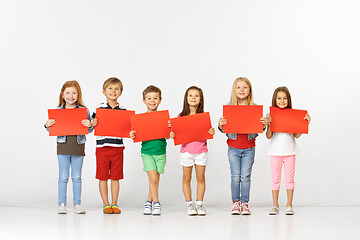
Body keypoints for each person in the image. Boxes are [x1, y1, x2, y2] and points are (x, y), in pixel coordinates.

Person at [218, 77, 266, 215]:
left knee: (245, 176)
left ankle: (244, 203)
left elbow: (259, 129)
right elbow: (224, 128)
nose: (241, 90)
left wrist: (263, 125)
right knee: (235, 176)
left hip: (249, 148)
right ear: (234, 90)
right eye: (238, 87)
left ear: (249, 91)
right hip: (233, 147)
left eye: (245, 87)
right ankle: (235, 203)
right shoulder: (230, 107)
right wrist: (220, 125)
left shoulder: (254, 108)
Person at [45, 80, 93, 214]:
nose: (70, 96)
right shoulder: (58, 111)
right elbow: (51, 130)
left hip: (78, 146)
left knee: (77, 177)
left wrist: (89, 125)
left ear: (78, 95)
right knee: (63, 177)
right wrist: (47, 124)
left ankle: (77, 204)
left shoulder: (84, 110)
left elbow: (89, 130)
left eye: (74, 93)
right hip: (63, 146)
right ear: (62, 94)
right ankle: (62, 204)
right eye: (67, 93)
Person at [266, 86, 311, 215]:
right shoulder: (270, 115)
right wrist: (269, 123)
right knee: (275, 179)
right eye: (279, 98)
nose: (282, 101)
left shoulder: (292, 115)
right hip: (275, 152)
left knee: (290, 179)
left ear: (289, 100)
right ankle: (275, 205)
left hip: (290, 152)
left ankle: (289, 204)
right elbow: (269, 136)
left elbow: (296, 135)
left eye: (285, 98)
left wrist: (305, 124)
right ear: (275, 100)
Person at [170, 86, 215, 216]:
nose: (193, 98)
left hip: (201, 151)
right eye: (190, 95)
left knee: (200, 177)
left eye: (196, 96)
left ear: (200, 100)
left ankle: (199, 204)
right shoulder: (181, 116)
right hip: (186, 152)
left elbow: (208, 131)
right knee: (186, 177)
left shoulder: (203, 116)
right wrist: (172, 134)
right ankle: (189, 204)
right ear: (186, 98)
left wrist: (211, 131)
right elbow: (175, 134)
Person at [130, 85, 169, 216]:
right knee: (152, 178)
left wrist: (171, 129)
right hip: (147, 152)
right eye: (149, 98)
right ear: (144, 100)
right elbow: (134, 134)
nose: (152, 101)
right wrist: (132, 134)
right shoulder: (140, 119)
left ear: (160, 100)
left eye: (155, 98)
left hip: (161, 152)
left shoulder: (164, 118)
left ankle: (148, 201)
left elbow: (170, 135)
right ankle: (156, 203)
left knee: (155, 180)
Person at [92, 77, 126, 214]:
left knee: (116, 177)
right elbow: (92, 125)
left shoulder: (123, 110)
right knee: (103, 177)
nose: (113, 91)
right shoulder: (99, 109)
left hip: (118, 148)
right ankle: (106, 204)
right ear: (104, 91)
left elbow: (126, 128)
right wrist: (93, 122)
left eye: (116, 89)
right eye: (110, 88)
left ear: (121, 92)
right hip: (102, 148)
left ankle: (114, 203)